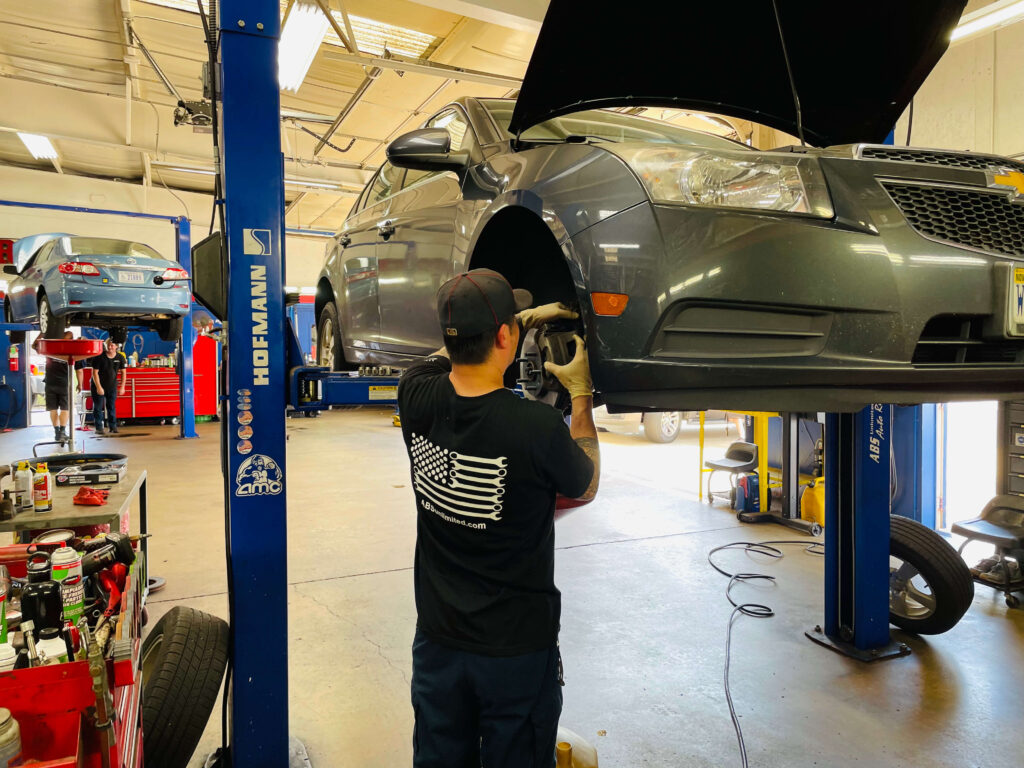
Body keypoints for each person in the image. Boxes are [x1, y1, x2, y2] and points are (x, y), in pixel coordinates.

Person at [397, 268, 600, 768]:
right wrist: (581, 395)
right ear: (507, 336)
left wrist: (508, 323)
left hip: (439, 645)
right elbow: (587, 482)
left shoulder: (416, 398)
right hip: (515, 654)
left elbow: (431, 363)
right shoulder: (534, 427)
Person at [32, 331, 85, 443]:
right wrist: (80, 384)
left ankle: (57, 433)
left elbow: (34, 345)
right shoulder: (73, 351)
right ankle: (61, 432)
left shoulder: (51, 348)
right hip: (64, 384)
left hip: (50, 383)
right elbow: (79, 371)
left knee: (53, 409)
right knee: (65, 409)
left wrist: (42, 333)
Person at [88, 339, 126, 434]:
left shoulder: (120, 357)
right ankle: (99, 428)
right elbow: (94, 373)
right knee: (98, 407)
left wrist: (122, 387)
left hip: (112, 386)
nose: (110, 347)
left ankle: (113, 427)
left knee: (111, 406)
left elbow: (123, 373)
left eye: (112, 345)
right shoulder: (99, 357)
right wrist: (99, 387)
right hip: (98, 385)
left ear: (117, 346)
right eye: (108, 345)